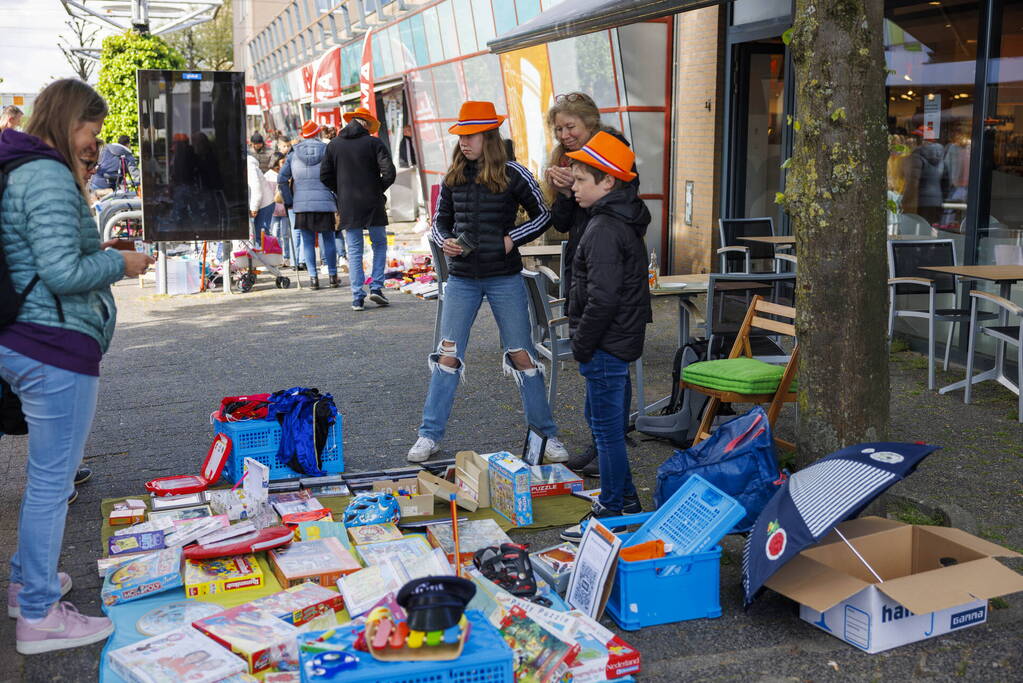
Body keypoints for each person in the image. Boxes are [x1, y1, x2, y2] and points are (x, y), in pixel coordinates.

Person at [0, 79, 154, 654]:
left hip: (32, 336)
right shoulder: (45, 175)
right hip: (53, 343)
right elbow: (64, 273)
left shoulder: (25, 168)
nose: (96, 143)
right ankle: (38, 615)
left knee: (48, 478)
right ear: (71, 121)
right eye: (93, 130)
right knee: (52, 482)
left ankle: (26, 584)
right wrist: (121, 263)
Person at [407, 101, 568, 464]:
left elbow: (545, 215)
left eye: (472, 135)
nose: (464, 142)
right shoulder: (452, 177)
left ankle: (547, 437)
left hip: (505, 277)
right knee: (447, 356)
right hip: (462, 280)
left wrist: (512, 239)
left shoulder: (515, 174)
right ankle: (428, 436)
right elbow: (439, 222)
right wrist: (445, 239)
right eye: (461, 135)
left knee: (522, 355)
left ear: (489, 136)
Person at [558, 132, 651, 542]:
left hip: (605, 344)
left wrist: (582, 342)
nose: (573, 187)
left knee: (607, 432)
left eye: (580, 180)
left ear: (608, 182)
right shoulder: (614, 220)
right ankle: (625, 501)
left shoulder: (605, 228)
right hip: (612, 342)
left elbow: (603, 297)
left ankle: (613, 507)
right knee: (603, 425)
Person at [543, 92, 640, 478]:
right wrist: (566, 191)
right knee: (599, 372)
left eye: (571, 127)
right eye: (559, 129)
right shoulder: (562, 161)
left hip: (604, 257)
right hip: (582, 260)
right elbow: (561, 223)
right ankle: (600, 443)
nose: (565, 135)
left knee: (609, 361)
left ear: (592, 123)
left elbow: (628, 203)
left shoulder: (615, 153)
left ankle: (611, 447)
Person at [320, 106, 395, 311]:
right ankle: (377, 288)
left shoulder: (334, 145)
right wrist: (377, 188)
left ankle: (357, 297)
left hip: (348, 204)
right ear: (364, 124)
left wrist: (341, 191)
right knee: (379, 244)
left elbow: (324, 176)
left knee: (354, 250)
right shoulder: (374, 143)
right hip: (373, 203)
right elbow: (389, 172)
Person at [279, 120, 339, 290]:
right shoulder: (327, 151)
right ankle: (333, 276)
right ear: (318, 133)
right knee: (328, 240)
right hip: (325, 202)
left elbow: (281, 179)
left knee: (307, 242)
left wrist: (289, 200)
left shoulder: (293, 155)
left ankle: (313, 278)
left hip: (302, 204)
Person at [246, 148, 275, 247]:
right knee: (258, 236)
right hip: (260, 203)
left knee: (261, 236)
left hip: (264, 203)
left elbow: (256, 187)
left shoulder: (249, 165)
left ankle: (266, 259)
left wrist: (254, 207)